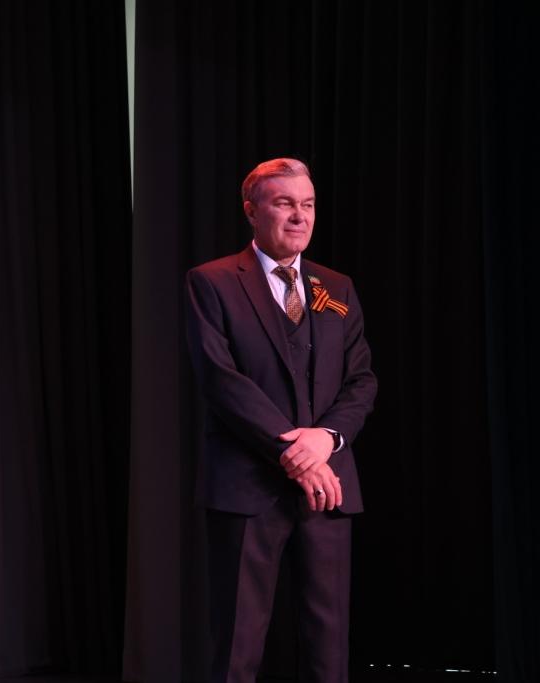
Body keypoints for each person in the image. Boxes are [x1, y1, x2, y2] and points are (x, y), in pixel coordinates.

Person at [184, 158, 377, 682]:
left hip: (329, 489)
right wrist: (297, 455)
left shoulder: (336, 287)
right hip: (247, 488)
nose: (300, 216)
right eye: (285, 203)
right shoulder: (212, 282)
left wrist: (326, 439)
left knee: (328, 650)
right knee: (236, 648)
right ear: (251, 211)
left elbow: (361, 380)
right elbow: (221, 379)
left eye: (307, 204)